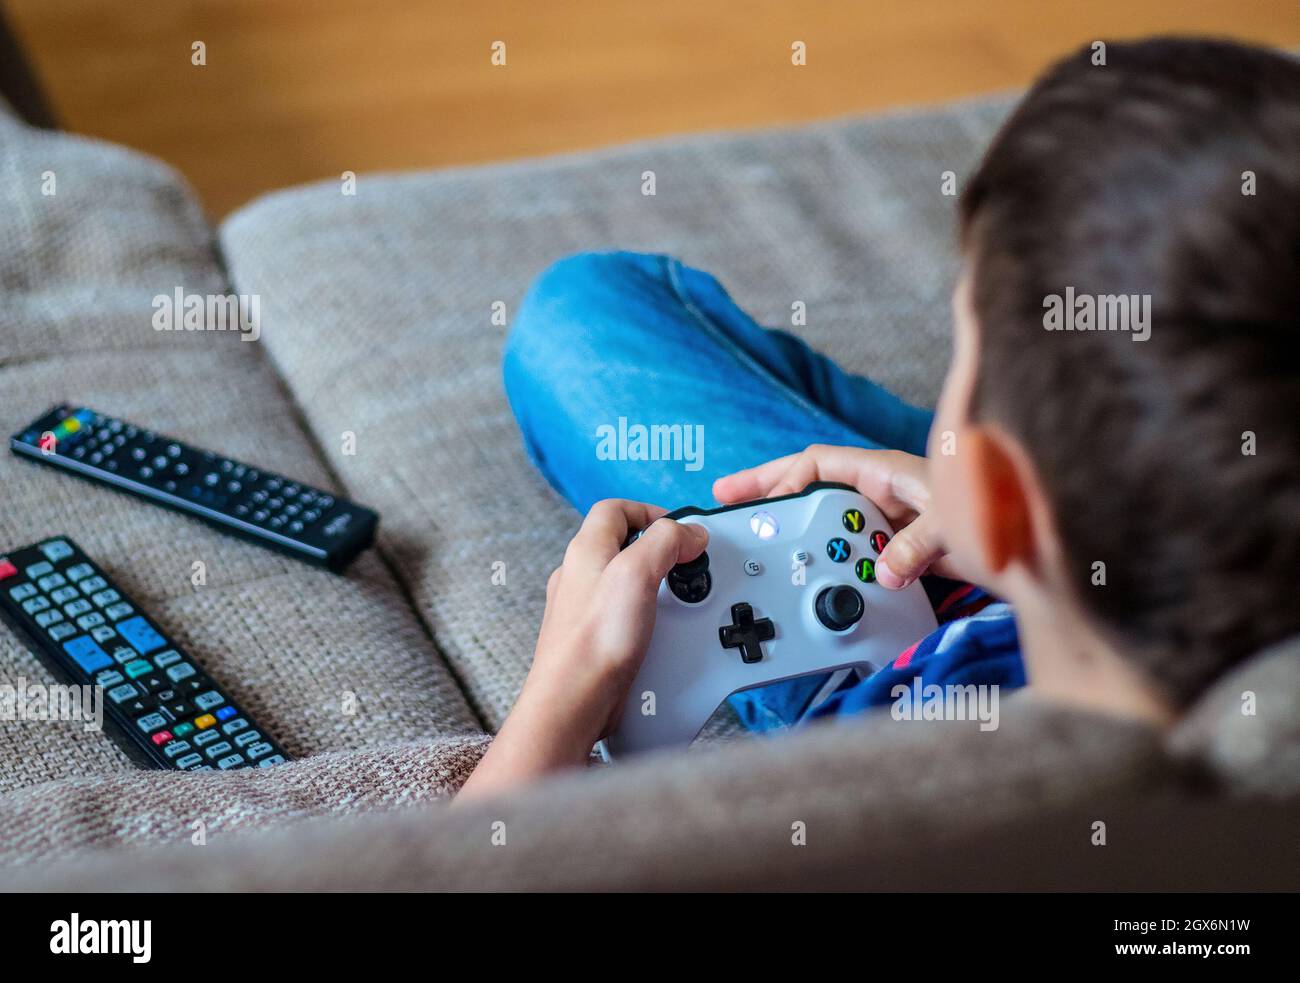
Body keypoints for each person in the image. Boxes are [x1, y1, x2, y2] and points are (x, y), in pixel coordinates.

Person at [458, 38, 1300, 800]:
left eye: (961, 335)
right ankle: (1074, 477)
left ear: (1007, 501)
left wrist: (559, 700)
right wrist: (986, 522)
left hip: (879, 667)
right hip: (1027, 575)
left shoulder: (855, 825)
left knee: (579, 317)